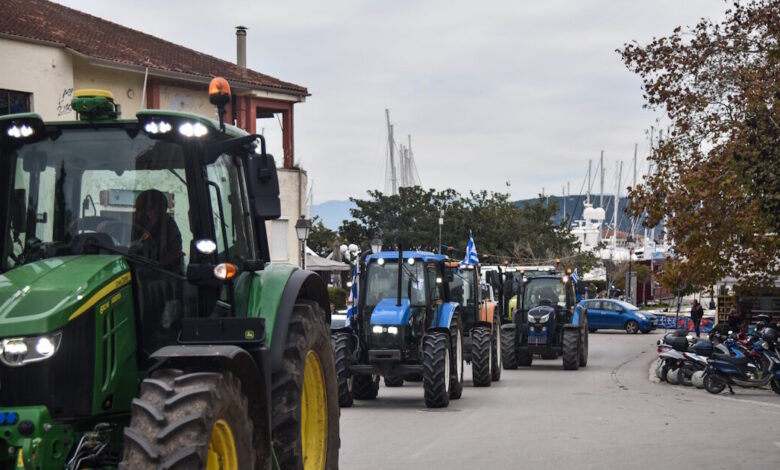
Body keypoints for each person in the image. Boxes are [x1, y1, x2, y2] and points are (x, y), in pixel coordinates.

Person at [131, 189, 183, 273]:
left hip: (163, 277)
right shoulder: (133, 226)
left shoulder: (169, 227)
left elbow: (174, 254)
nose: (137, 213)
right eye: (138, 209)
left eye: (140, 209)